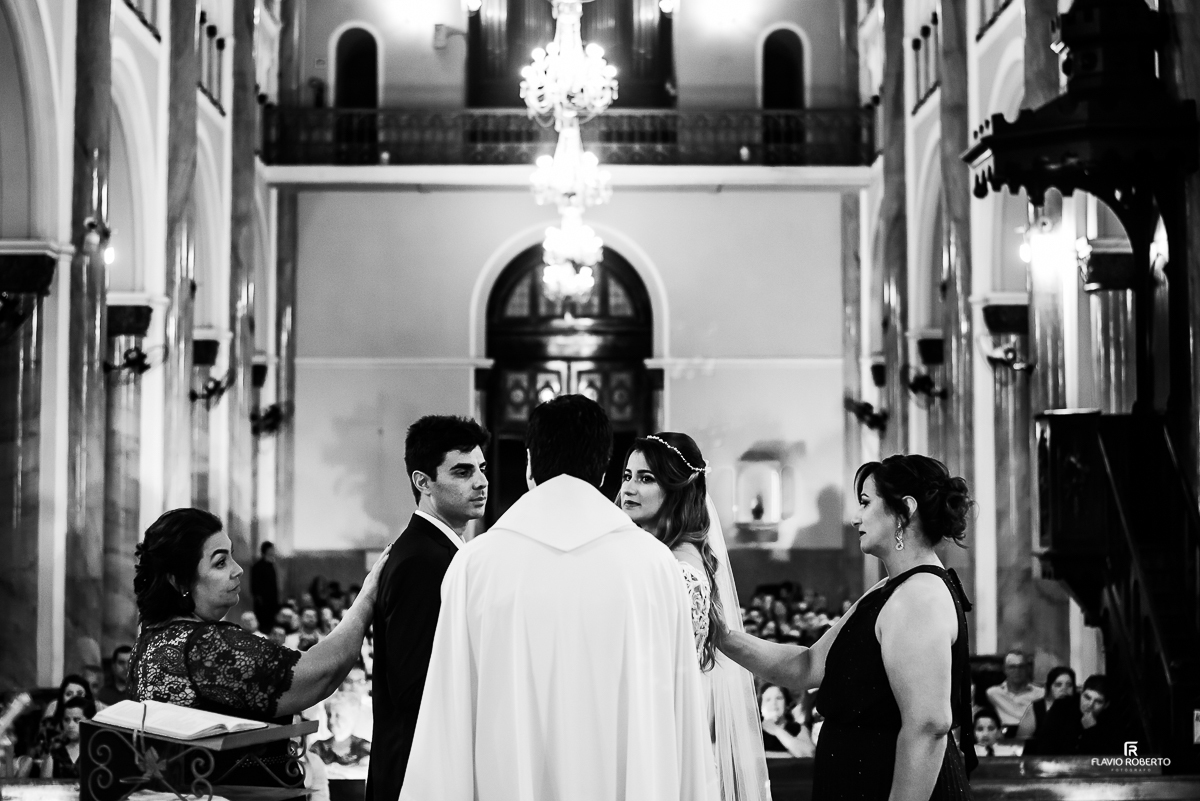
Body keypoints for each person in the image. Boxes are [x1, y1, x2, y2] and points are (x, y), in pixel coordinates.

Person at [399, 395, 717, 801]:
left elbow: (447, 721)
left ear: (530, 462)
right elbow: (681, 721)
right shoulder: (654, 566)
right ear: (603, 470)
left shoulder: (474, 566)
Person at [717, 454, 977, 801]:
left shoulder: (918, 598)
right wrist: (722, 636)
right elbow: (806, 666)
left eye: (866, 503)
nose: (856, 517)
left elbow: (928, 727)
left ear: (905, 511)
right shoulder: (889, 590)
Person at [128, 508, 391, 724]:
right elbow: (319, 676)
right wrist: (367, 597)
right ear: (180, 582)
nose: (238, 569)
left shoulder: (150, 640)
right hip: (227, 789)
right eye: (220, 562)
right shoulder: (203, 645)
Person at [619, 432, 770, 799]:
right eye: (627, 476)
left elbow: (661, 676)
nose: (629, 489)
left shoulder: (680, 569)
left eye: (646, 478)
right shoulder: (658, 557)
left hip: (665, 746)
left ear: (677, 489)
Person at [367, 415, 489, 801]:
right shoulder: (423, 560)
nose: (481, 482)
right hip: (417, 773)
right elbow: (412, 687)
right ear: (424, 482)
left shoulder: (441, 552)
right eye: (462, 471)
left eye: (482, 469)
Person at [1036, 674, 1121, 755]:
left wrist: (1091, 730)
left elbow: (1108, 759)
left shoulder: (1112, 721)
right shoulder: (1062, 707)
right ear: (1081, 693)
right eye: (1087, 697)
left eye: (1098, 701)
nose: (1090, 704)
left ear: (1106, 705)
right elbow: (1044, 744)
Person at [985, 649, 1042, 735]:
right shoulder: (992, 693)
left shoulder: (1041, 694)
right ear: (1005, 669)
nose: (1017, 671)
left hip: (1032, 737)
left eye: (1021, 666)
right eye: (1012, 667)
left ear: (1027, 669)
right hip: (1004, 737)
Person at [1017, 666, 1076, 746]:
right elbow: (1020, 742)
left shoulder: (1078, 707)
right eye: (1058, 685)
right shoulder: (1037, 708)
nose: (1064, 689)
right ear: (1049, 687)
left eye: (1069, 685)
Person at [39, 698, 90, 779]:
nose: (70, 725)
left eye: (76, 720)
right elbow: (45, 788)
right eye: (66, 720)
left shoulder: (97, 753)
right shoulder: (53, 754)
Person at [759, 684, 814, 758]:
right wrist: (790, 755)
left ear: (786, 704)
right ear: (760, 705)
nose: (773, 703)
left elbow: (809, 753)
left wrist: (777, 730)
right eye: (768, 700)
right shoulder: (754, 731)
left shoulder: (798, 728)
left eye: (779, 698)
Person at [250, 541, 280, 634]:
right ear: (266, 550)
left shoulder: (271, 565)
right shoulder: (257, 566)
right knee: (263, 630)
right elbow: (254, 586)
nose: (274, 551)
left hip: (272, 603)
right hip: (262, 605)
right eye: (271, 549)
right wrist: (260, 599)